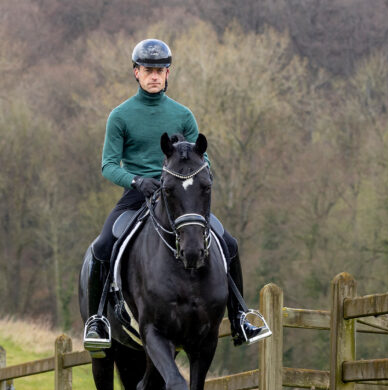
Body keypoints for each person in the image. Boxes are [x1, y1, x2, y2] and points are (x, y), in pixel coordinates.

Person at [83, 38, 269, 350]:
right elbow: (108, 165)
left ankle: (239, 318)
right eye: (147, 69)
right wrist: (135, 181)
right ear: (136, 73)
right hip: (138, 194)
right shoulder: (120, 116)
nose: (154, 75)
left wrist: (186, 155)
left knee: (229, 243)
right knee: (102, 246)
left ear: (168, 73)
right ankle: (97, 321)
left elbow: (204, 161)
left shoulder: (184, 115)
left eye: (160, 69)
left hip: (181, 197)